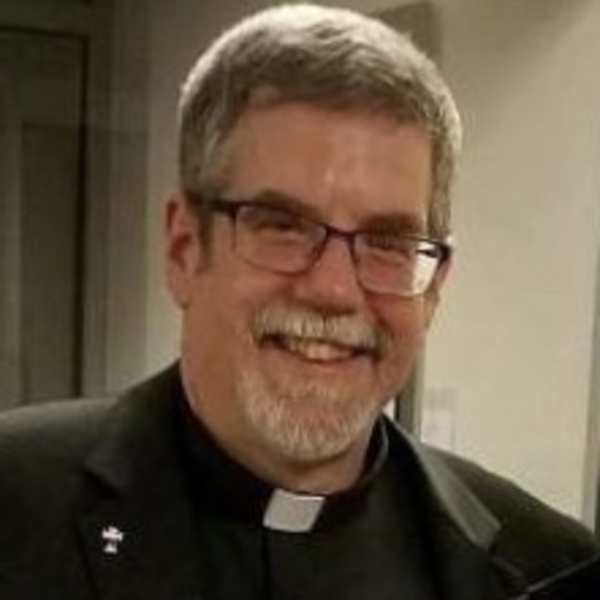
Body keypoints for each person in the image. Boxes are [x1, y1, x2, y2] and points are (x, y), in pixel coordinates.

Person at [0, 4, 598, 599]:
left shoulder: (542, 566)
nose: (334, 290)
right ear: (184, 248)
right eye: (281, 226)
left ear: (435, 286)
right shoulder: (16, 504)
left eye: (388, 242)